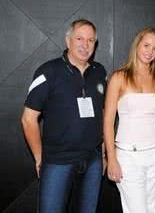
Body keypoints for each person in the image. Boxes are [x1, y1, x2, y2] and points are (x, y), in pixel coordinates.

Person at [21, 19, 107, 213]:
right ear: (68, 41)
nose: (85, 45)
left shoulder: (100, 72)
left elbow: (103, 116)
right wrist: (39, 157)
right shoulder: (48, 72)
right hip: (57, 161)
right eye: (79, 38)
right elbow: (28, 119)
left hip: (92, 160)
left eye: (91, 40)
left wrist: (102, 155)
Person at [104, 27, 155, 213]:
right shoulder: (118, 78)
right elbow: (108, 122)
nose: (149, 52)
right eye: (146, 45)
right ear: (137, 45)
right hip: (128, 157)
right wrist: (111, 158)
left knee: (152, 210)